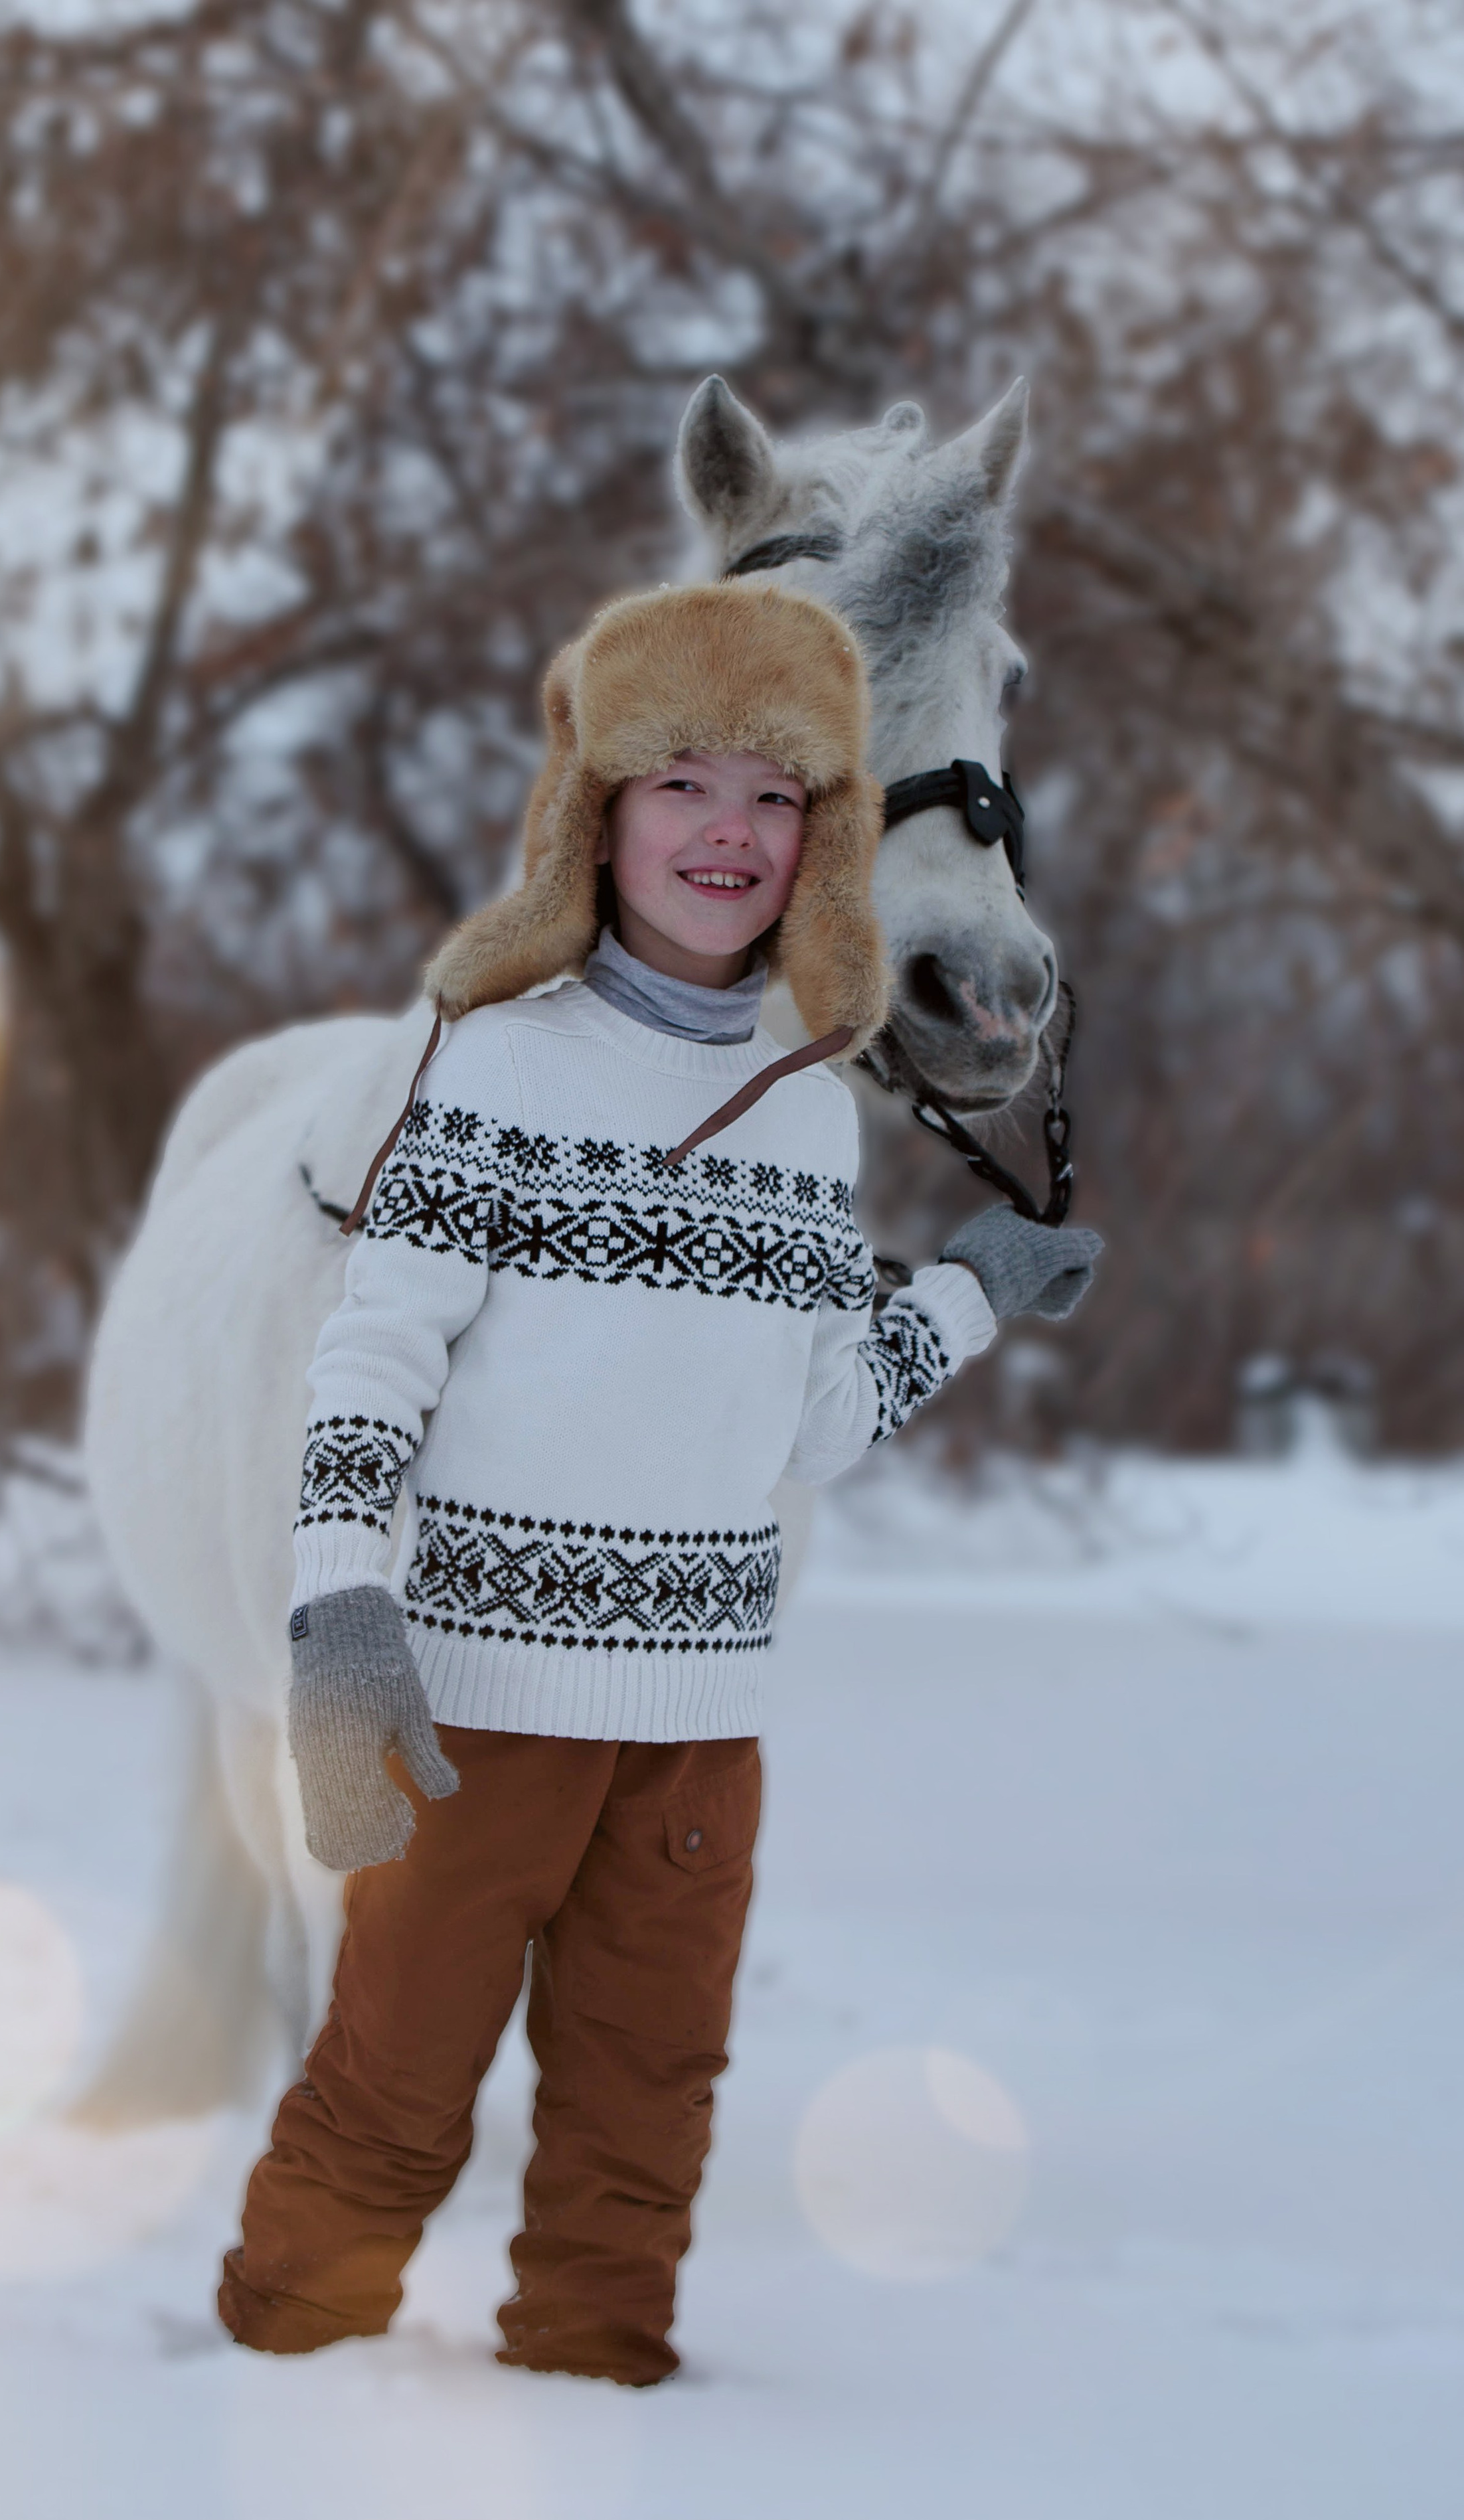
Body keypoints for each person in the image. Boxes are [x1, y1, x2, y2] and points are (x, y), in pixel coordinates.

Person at [217, 580, 1100, 2385]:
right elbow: (373, 1361)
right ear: (598, 813)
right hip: (473, 1710)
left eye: (777, 798)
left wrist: (968, 1295)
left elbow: (812, 1426)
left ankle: (604, 2395)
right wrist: (341, 1608)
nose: (728, 832)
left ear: (828, 839)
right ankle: (280, 2374)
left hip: (700, 1730)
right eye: (683, 784)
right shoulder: (500, 1060)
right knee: (395, 2071)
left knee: (647, 2103)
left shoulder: (806, 1109)